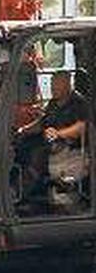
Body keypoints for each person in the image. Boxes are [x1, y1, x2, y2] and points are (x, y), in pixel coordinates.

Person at [16, 71, 89, 214]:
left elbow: (82, 126)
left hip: (71, 150)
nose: (52, 88)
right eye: (52, 84)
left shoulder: (79, 103)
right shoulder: (53, 103)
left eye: (57, 84)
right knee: (22, 148)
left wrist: (58, 133)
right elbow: (42, 122)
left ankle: (28, 197)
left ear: (68, 84)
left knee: (37, 156)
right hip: (51, 145)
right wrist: (23, 130)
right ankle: (24, 193)